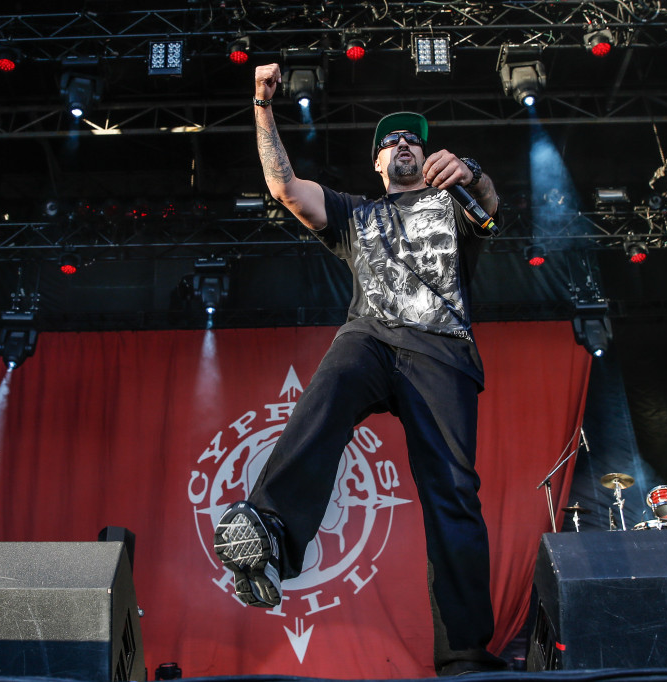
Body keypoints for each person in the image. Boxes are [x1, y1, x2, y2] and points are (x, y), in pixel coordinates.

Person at [212, 64, 505, 676]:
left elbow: (491, 206)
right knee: (334, 381)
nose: (404, 145)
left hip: (442, 350)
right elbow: (286, 188)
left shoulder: (450, 205)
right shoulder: (354, 213)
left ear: (426, 156)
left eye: (413, 140)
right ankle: (267, 536)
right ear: (377, 162)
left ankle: (465, 653)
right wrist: (263, 106)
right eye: (392, 141)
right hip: (371, 337)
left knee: (453, 494)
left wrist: (472, 172)